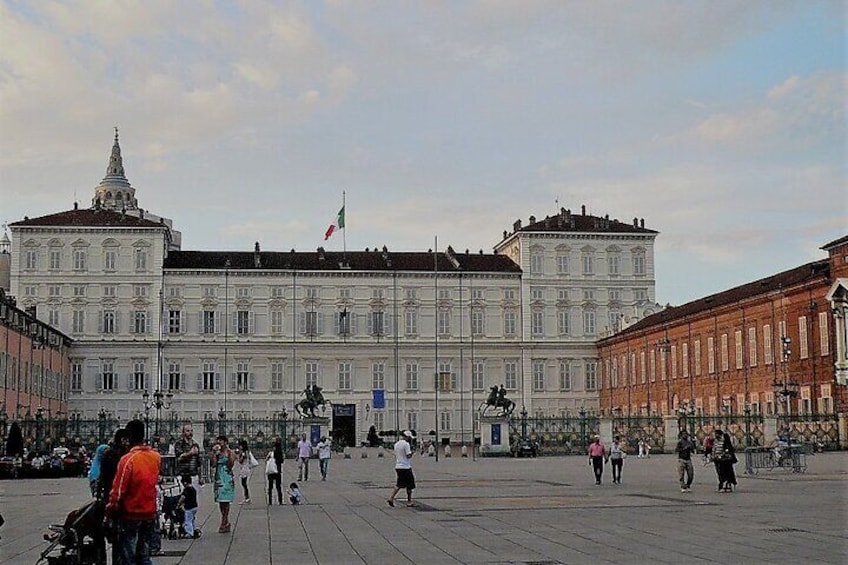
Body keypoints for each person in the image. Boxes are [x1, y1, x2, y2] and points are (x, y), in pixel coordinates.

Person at [106, 419, 161, 565]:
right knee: (143, 554)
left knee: (128, 555)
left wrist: (111, 507)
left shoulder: (127, 459)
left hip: (131, 514)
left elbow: (118, 491)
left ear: (129, 437)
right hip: (149, 513)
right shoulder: (155, 457)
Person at [212, 435, 236, 533]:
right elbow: (213, 464)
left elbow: (231, 465)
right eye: (218, 441)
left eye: (221, 441)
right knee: (221, 501)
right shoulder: (217, 453)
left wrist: (229, 455)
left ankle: (224, 521)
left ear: (225, 442)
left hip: (227, 477)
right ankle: (226, 521)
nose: (219, 443)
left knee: (227, 500)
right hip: (219, 477)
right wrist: (214, 454)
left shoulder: (230, 452)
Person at [387, 430, 416, 508]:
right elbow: (408, 456)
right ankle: (409, 501)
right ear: (407, 437)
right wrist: (413, 452)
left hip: (398, 466)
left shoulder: (397, 444)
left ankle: (391, 498)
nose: (410, 439)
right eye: (410, 438)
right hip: (406, 467)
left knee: (399, 484)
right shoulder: (406, 444)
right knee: (410, 485)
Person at [174, 423, 202, 491]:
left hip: (193, 475)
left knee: (193, 498)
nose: (190, 433)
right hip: (182, 475)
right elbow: (179, 457)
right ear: (183, 432)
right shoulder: (179, 444)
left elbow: (198, 463)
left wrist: (200, 477)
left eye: (191, 431)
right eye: (188, 431)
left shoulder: (195, 444)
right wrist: (190, 453)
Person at [179, 474, 200, 539]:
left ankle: (189, 533)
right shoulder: (193, 489)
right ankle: (193, 530)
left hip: (189, 508)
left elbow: (183, 497)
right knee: (192, 520)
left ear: (185, 482)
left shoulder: (187, 490)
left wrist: (179, 504)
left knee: (188, 520)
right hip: (195, 507)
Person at [237, 440, 253, 504]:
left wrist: (239, 457)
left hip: (244, 469)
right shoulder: (247, 452)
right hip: (245, 468)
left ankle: (247, 497)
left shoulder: (244, 453)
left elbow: (240, 461)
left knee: (244, 484)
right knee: (244, 484)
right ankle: (247, 497)